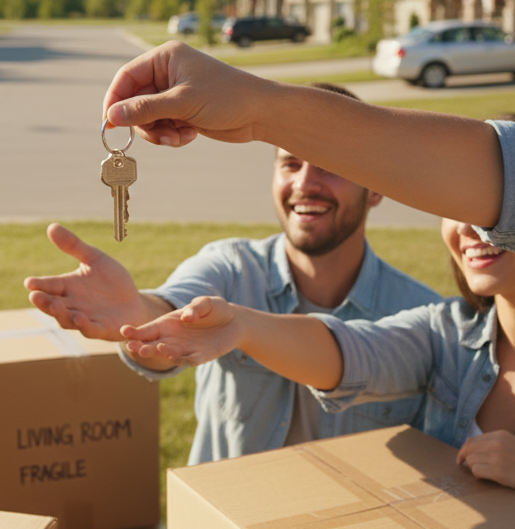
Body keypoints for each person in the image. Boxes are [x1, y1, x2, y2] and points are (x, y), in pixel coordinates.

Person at [99, 40, 515, 529]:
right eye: (460, 210)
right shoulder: (446, 337)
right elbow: (348, 354)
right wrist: (241, 325)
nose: (474, 228)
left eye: (495, 210)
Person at [25, 83, 442, 464]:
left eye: (328, 165)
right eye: (291, 163)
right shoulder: (231, 268)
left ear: (375, 187)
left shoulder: (422, 320)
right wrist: (139, 313)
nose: (305, 183)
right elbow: (172, 311)